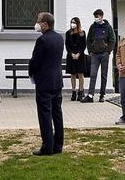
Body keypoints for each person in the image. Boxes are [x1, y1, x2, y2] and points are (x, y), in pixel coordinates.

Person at [29, 12, 64, 156]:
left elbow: (35, 61)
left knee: (45, 115)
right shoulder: (59, 38)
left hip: (44, 82)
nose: (37, 23)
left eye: (38, 21)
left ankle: (47, 147)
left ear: (44, 24)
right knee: (57, 114)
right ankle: (58, 145)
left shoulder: (42, 40)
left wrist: (31, 72)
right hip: (57, 81)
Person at [81, 9, 116, 103]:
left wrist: (108, 51)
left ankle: (102, 95)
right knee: (93, 74)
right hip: (94, 55)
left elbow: (112, 40)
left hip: (104, 54)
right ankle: (90, 95)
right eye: (95, 16)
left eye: (97, 16)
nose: (96, 18)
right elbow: (88, 40)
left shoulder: (108, 27)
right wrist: (90, 51)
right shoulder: (93, 27)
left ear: (101, 16)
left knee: (104, 75)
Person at [64, 17, 87, 101]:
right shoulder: (68, 33)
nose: (72, 24)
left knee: (80, 74)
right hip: (71, 56)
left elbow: (84, 45)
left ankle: (80, 92)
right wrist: (71, 54)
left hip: (80, 56)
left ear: (78, 23)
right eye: (71, 22)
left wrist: (78, 53)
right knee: (72, 74)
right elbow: (67, 45)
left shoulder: (82, 33)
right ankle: (73, 92)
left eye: (74, 22)